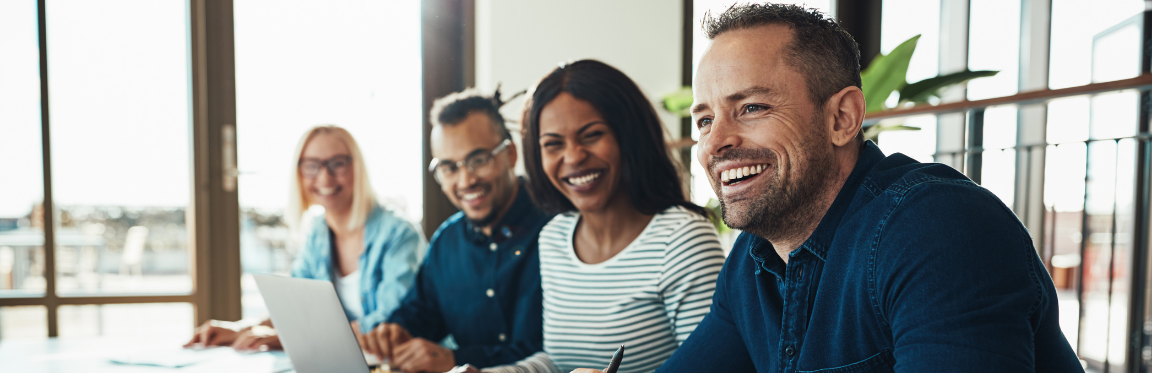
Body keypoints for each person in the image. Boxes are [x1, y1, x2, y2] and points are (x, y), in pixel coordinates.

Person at [577, 4, 1082, 373]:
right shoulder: (753, 263)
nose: (717, 142)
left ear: (842, 117)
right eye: (706, 119)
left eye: (751, 107)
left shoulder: (936, 228)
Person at [470, 60, 726, 373]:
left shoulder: (682, 239)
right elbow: (557, 362)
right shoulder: (554, 237)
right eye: (553, 144)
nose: (573, 156)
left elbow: (713, 367)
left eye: (591, 135)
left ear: (627, 137)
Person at [358, 88, 552, 372]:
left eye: (478, 160)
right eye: (449, 168)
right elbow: (420, 312)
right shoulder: (446, 242)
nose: (466, 180)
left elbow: (559, 352)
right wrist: (397, 330)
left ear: (510, 154)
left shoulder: (558, 230)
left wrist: (456, 360)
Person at [183, 125, 425, 352]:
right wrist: (242, 328)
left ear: (357, 168)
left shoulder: (399, 234)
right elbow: (296, 308)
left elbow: (391, 325)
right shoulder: (318, 232)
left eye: (337, 164)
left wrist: (291, 339)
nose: (324, 178)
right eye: (312, 165)